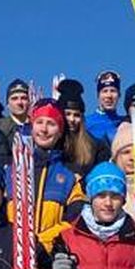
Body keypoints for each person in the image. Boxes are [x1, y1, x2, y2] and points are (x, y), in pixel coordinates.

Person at [26, 98, 86, 247]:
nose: (44, 129)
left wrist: (43, 242)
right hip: (14, 254)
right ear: (32, 127)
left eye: (51, 124)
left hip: (50, 254)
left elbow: (74, 217)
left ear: (60, 132)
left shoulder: (69, 175)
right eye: (39, 122)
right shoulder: (12, 169)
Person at [86, 69, 124, 146]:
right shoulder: (86, 123)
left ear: (119, 95)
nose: (109, 95)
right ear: (98, 95)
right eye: (105, 91)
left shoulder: (125, 122)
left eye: (113, 91)